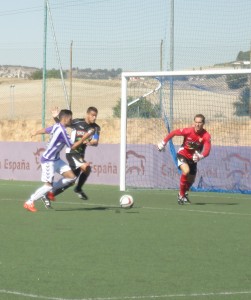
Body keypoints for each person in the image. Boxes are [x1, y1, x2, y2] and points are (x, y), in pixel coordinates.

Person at [23, 109, 91, 212]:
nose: (71, 120)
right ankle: (29, 202)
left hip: (56, 160)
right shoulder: (62, 132)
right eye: (70, 118)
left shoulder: (57, 126)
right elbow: (72, 147)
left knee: (72, 177)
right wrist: (83, 138)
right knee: (47, 186)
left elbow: (46, 130)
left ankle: (51, 191)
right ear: (66, 118)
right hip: (48, 161)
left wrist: (36, 132)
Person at [45, 106, 101, 204]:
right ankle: (78, 189)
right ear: (87, 114)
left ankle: (49, 195)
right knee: (87, 167)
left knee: (71, 180)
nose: (94, 118)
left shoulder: (96, 128)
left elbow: (96, 141)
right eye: (92, 115)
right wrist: (55, 117)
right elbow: (62, 124)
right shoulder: (77, 122)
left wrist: (91, 142)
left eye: (96, 116)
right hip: (71, 152)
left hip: (80, 155)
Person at [157, 114, 211, 204]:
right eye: (196, 122)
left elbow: (207, 150)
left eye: (200, 122)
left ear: (203, 123)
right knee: (186, 171)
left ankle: (182, 193)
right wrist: (163, 142)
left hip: (194, 159)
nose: (197, 124)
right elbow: (173, 133)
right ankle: (181, 196)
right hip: (182, 154)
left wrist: (200, 156)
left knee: (191, 180)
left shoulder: (206, 136)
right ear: (194, 122)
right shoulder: (188, 131)